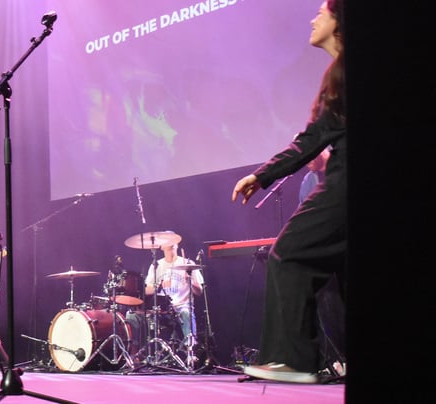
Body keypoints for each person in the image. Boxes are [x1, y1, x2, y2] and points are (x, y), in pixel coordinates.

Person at [231, 0, 346, 384]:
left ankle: (294, 360)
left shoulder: (344, 73)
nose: (314, 18)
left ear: (339, 18)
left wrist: (263, 175)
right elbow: (314, 137)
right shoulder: (338, 73)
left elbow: (313, 139)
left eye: (322, 11)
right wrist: (264, 175)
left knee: (290, 255)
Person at [142, 243, 203, 349]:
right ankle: (141, 354)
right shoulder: (156, 265)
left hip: (182, 306)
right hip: (162, 308)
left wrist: (190, 280)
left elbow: (199, 292)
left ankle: (191, 351)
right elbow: (146, 290)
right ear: (162, 247)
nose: (171, 243)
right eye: (168, 241)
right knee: (134, 316)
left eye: (173, 241)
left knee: (186, 312)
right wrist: (159, 286)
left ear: (177, 244)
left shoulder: (188, 263)